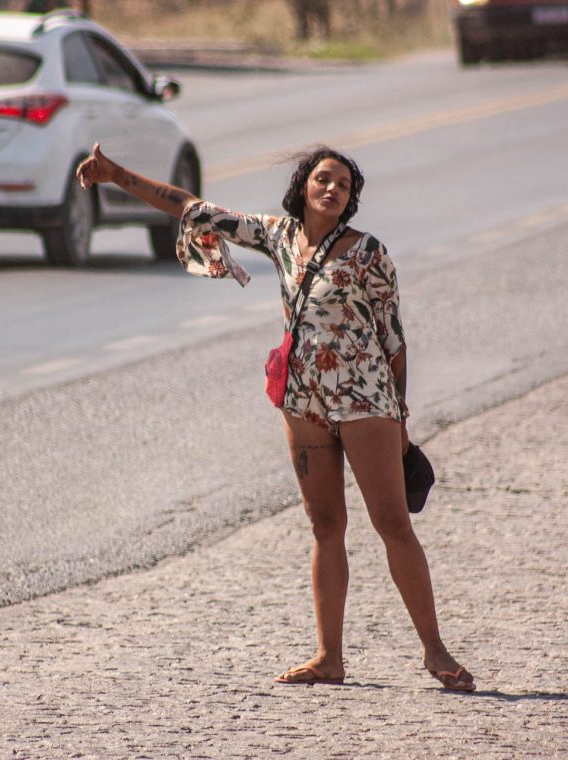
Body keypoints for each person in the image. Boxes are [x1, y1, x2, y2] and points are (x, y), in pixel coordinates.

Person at [76, 144, 476, 691]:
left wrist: (401, 419)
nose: (332, 189)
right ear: (303, 188)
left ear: (350, 199)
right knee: (325, 527)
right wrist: (116, 174)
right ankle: (329, 658)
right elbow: (192, 208)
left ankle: (435, 652)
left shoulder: (368, 254)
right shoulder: (279, 236)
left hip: (365, 401)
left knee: (392, 526)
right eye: (322, 179)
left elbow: (394, 340)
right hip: (302, 401)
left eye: (342, 184)